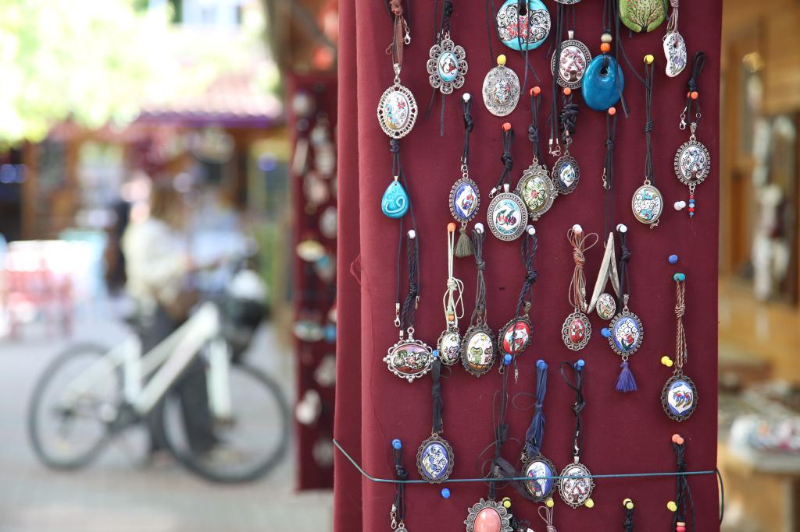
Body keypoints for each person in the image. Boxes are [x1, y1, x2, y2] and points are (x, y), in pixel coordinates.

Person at [121, 182, 217, 455]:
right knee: (159, 377)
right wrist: (179, 265)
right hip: (153, 311)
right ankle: (158, 446)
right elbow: (144, 274)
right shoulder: (147, 231)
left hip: (171, 311)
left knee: (191, 371)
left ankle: (202, 442)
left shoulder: (166, 231)